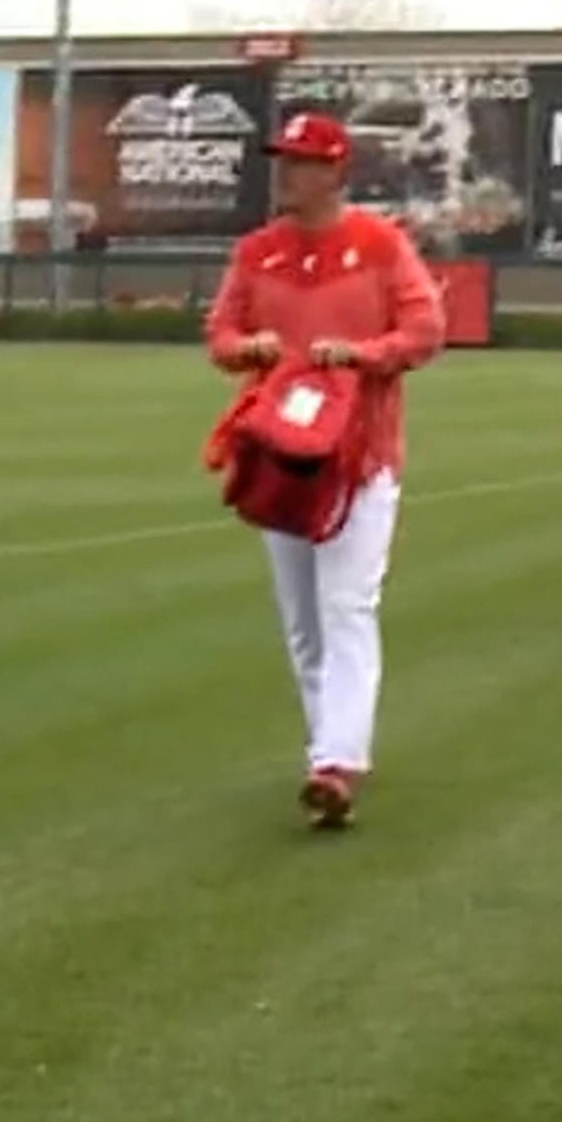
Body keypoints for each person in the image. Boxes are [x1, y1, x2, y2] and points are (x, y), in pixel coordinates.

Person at [201, 111, 446, 829]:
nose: (287, 173)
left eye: (302, 162)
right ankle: (326, 748)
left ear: (336, 171)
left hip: (358, 452)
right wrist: (251, 348)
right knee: (302, 619)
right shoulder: (257, 251)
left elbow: (425, 330)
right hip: (280, 450)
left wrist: (364, 353)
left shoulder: (378, 244)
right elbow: (219, 335)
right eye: (283, 160)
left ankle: (336, 761)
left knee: (348, 605)